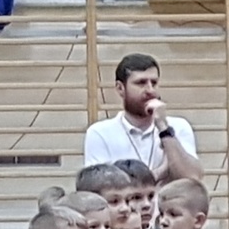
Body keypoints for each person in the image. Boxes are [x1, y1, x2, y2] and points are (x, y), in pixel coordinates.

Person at [83, 53, 203, 183]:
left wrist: (164, 129)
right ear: (120, 88)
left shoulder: (178, 127)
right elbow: (101, 186)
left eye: (154, 83)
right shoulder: (100, 132)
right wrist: (159, 173)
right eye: (141, 83)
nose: (150, 90)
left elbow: (193, 178)